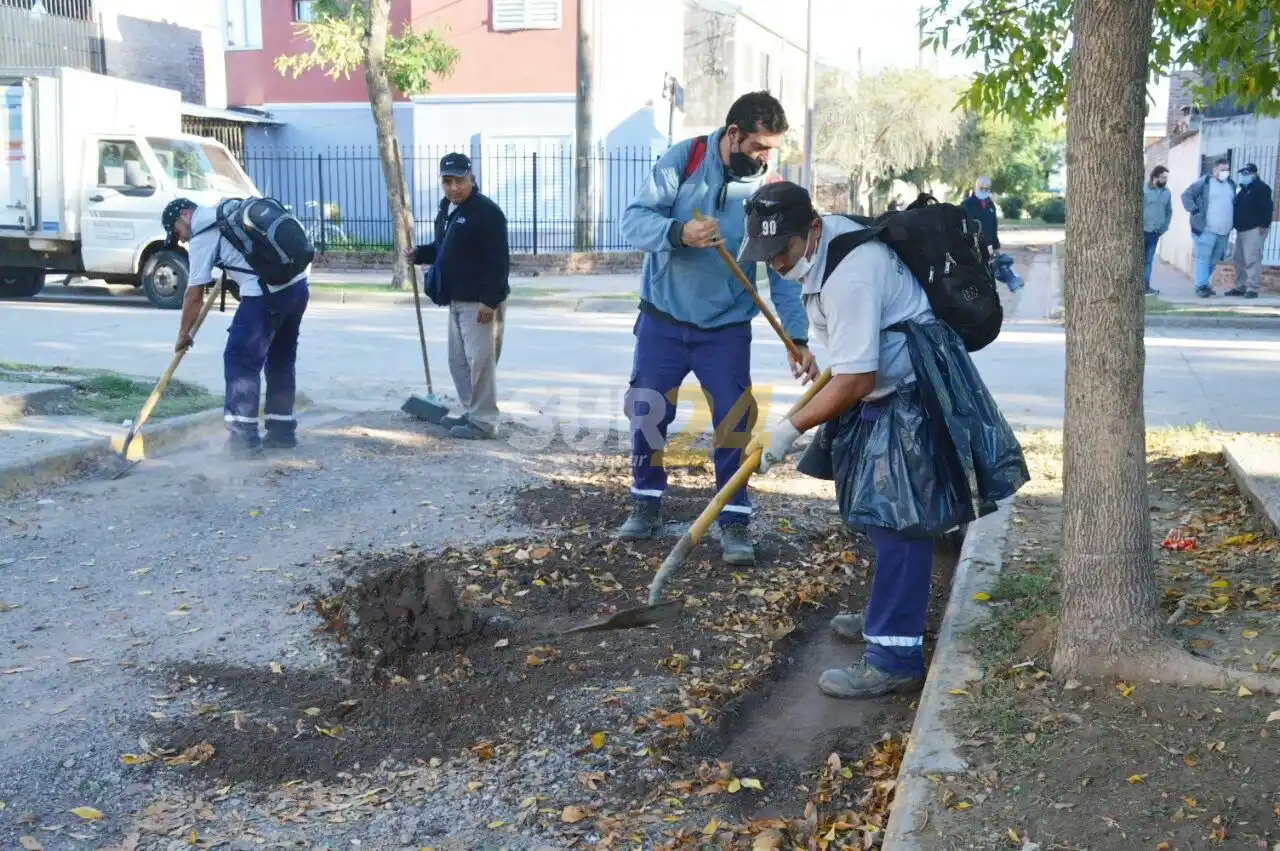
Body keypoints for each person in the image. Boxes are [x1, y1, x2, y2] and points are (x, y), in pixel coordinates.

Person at [737, 181, 1028, 699]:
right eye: (764, 255)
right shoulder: (828, 246)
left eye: (780, 250)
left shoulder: (853, 272)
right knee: (877, 508)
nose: (775, 264)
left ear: (812, 229)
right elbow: (847, 351)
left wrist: (788, 429)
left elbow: (856, 380)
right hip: (888, 384)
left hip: (913, 391)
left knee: (901, 519)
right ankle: (884, 617)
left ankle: (894, 656)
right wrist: (820, 355)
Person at [617, 91, 810, 567]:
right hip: (663, 316)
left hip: (725, 327)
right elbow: (634, 221)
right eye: (759, 146)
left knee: (733, 420)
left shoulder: (771, 190)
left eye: (772, 149)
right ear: (733, 134)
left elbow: (782, 271)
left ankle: (734, 518)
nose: (766, 157)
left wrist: (797, 337)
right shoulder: (685, 159)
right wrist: (679, 233)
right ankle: (645, 500)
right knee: (647, 409)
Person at [162, 198, 310, 458]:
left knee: (240, 360)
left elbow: (193, 294)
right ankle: (281, 431)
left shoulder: (203, 234)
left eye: (177, 232)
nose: (181, 240)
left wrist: (183, 334)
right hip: (298, 287)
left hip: (266, 295)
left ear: (185, 215)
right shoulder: (226, 208)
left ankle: (243, 440)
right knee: (280, 359)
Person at [407, 152, 510, 440]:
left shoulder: (487, 213)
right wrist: (419, 254)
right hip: (457, 298)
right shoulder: (448, 210)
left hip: (480, 301)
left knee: (480, 362)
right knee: (458, 362)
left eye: (459, 181)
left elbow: (499, 262)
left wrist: (490, 302)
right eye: (448, 181)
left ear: (472, 179)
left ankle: (485, 421)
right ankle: (473, 411)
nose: (454, 187)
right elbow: (444, 247)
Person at [1180, 157, 1236, 298]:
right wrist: (1194, 210)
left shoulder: (1231, 184)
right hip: (1206, 229)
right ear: (1215, 170)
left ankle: (1203, 284)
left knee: (1215, 260)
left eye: (1227, 169)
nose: (1225, 172)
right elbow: (1186, 195)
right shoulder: (1205, 182)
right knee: (1203, 258)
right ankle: (1200, 286)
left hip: (1223, 231)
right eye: (1222, 169)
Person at [1225, 163, 1273, 300]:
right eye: (1242, 174)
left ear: (1254, 174)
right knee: (1238, 259)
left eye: (1246, 174)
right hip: (1241, 229)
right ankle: (1241, 286)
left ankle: (1252, 288)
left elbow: (1267, 208)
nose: (1243, 176)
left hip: (1254, 229)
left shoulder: (1262, 188)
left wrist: (1264, 225)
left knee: (1252, 259)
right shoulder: (1244, 189)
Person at [1142, 165, 1172, 296]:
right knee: (1138, 260)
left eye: (1166, 178)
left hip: (1155, 233)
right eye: (1163, 177)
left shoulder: (1167, 192)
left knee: (1148, 260)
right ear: (1155, 177)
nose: (1165, 180)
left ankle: (1145, 286)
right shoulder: (1144, 189)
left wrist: (1164, 227)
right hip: (1142, 231)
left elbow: (1168, 211)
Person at [961, 176, 1000, 252]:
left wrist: (995, 244)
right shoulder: (966, 204)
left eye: (987, 189)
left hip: (988, 244)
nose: (984, 191)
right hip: (972, 245)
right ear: (976, 188)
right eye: (981, 188)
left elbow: (994, 225)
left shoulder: (991, 205)